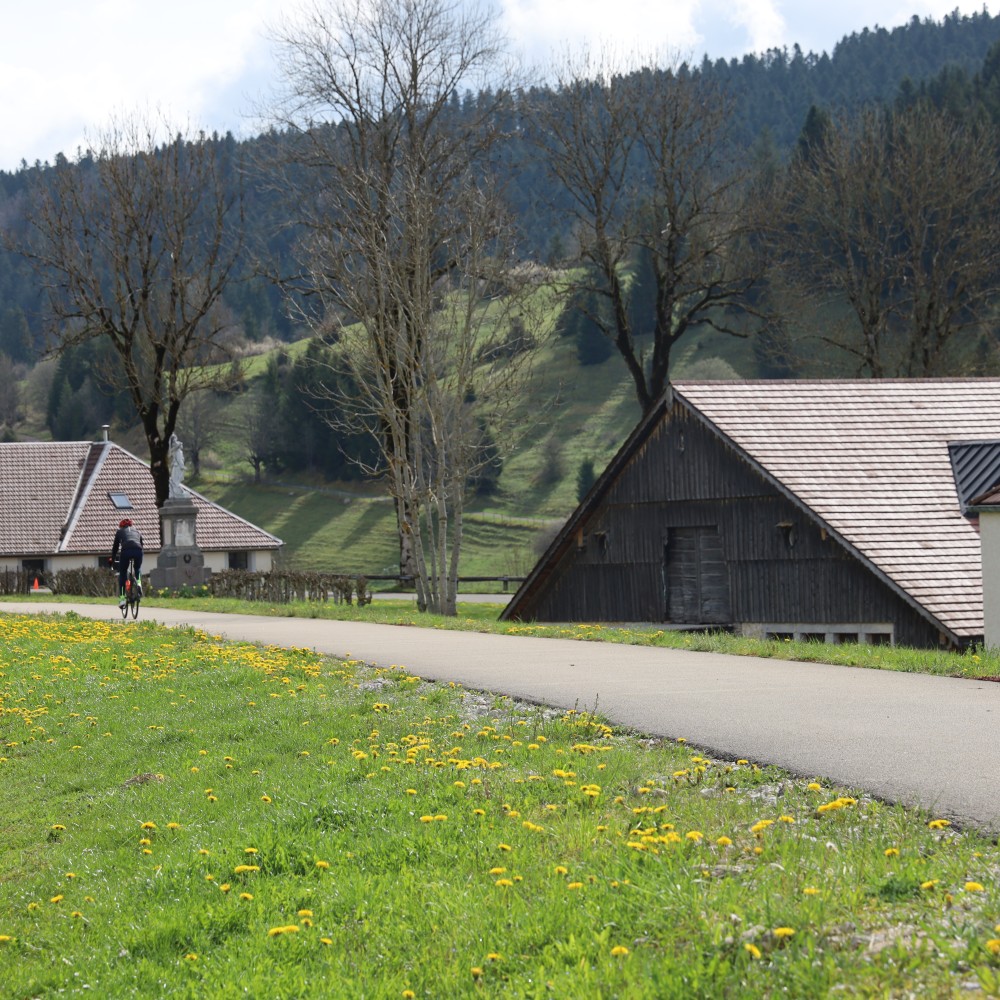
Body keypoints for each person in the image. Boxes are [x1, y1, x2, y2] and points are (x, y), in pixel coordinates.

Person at [110, 518, 144, 609]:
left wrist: (112, 561)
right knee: (137, 568)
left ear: (121, 526)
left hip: (126, 551)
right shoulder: (137, 531)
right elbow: (141, 545)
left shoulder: (119, 532)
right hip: (138, 551)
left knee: (123, 573)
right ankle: (139, 583)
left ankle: (122, 599)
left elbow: (115, 548)